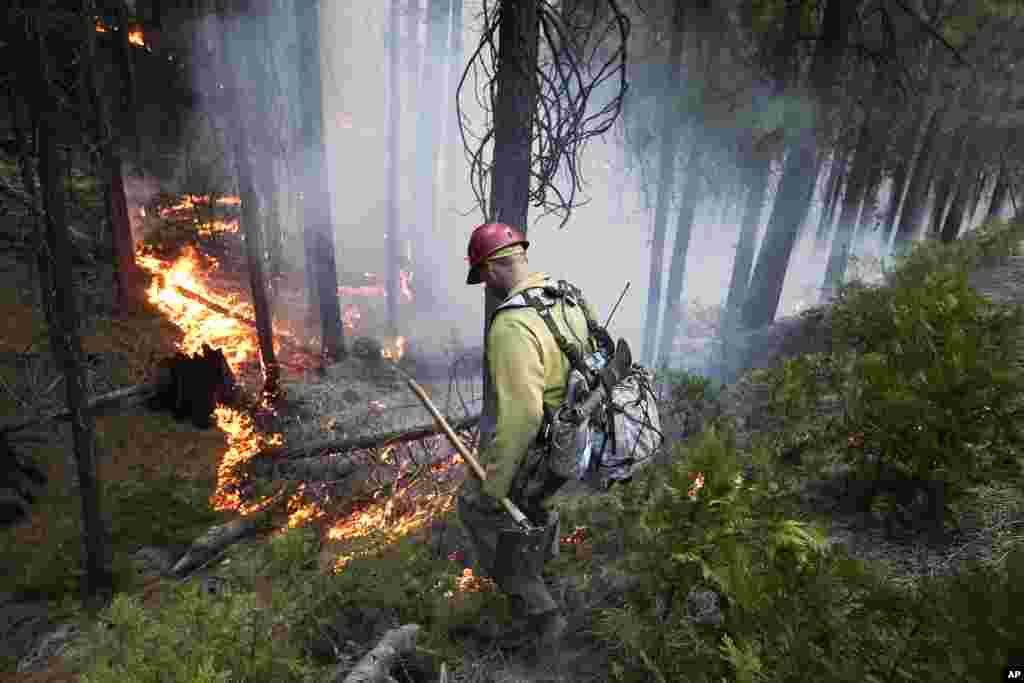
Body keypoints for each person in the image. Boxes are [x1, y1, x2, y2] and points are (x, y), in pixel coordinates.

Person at [457, 222, 598, 658]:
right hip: (576, 443)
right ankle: (546, 569)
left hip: (542, 448)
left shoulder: (512, 325)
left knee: (479, 509)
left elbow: (523, 416)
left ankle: (543, 619)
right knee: (536, 509)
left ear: (492, 268)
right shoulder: (567, 295)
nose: (484, 286)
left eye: (481, 277)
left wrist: (495, 483)